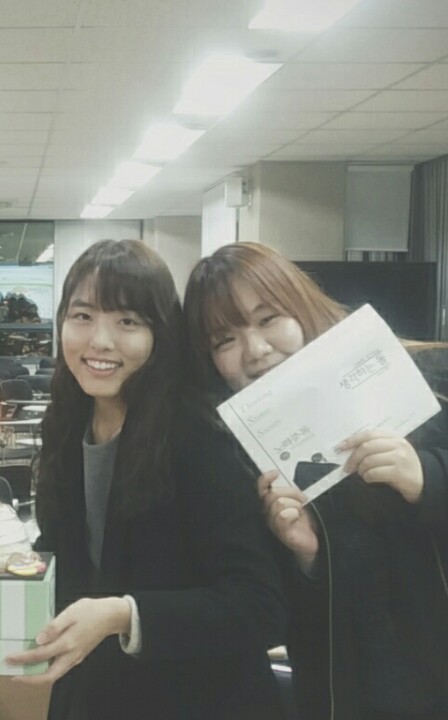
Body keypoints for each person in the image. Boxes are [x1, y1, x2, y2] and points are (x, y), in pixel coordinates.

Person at [7, 239, 287, 719]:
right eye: (82, 316)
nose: (100, 340)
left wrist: (125, 614)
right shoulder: (68, 421)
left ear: (160, 333)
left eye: (127, 322)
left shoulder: (199, 433)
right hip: (95, 693)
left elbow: (259, 605)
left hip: (200, 701)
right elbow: (66, 550)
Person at [184, 241, 448, 720]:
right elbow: (272, 620)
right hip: (348, 700)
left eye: (268, 319)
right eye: (225, 341)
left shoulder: (428, 380)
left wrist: (429, 479)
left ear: (300, 304)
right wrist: (307, 559)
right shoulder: (240, 456)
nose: (255, 350)